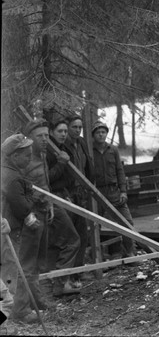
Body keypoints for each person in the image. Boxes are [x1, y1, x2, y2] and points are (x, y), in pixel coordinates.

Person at [1, 133, 52, 323]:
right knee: (14, 270)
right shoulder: (12, 178)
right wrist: (31, 198)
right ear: (14, 156)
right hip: (9, 231)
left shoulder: (9, 172)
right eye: (26, 155)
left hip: (9, 228)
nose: (30, 158)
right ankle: (19, 312)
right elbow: (22, 206)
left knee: (12, 269)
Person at [45, 116, 81, 296]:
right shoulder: (47, 151)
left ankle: (57, 282)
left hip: (63, 196)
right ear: (51, 132)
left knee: (59, 241)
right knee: (71, 240)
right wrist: (61, 163)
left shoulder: (62, 149)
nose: (64, 134)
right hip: (51, 199)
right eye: (60, 131)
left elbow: (66, 178)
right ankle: (59, 284)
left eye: (65, 131)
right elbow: (47, 179)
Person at [92, 120, 136, 260]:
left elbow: (119, 171)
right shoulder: (89, 151)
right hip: (96, 191)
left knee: (126, 221)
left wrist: (123, 190)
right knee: (94, 225)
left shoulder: (113, 150)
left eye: (103, 132)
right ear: (93, 135)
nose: (101, 135)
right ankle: (96, 257)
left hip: (113, 191)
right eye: (98, 132)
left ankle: (129, 252)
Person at [64, 112, 95, 286]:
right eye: (74, 127)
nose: (77, 130)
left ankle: (79, 271)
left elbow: (87, 164)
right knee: (71, 235)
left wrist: (91, 183)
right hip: (68, 194)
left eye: (80, 127)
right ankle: (69, 275)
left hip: (82, 193)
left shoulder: (81, 142)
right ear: (67, 128)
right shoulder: (61, 145)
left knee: (83, 234)